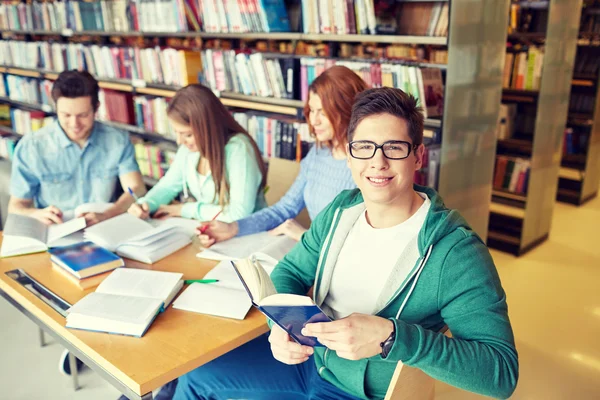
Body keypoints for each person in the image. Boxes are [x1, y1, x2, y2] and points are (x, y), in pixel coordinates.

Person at [173, 88, 519, 400]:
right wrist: (279, 326)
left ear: (418, 156)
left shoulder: (455, 252)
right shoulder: (341, 210)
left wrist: (392, 337)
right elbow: (291, 271)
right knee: (193, 378)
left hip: (362, 393)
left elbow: (500, 374)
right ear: (349, 155)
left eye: (394, 148)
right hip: (309, 363)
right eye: (364, 148)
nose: (377, 162)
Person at [8, 70, 146, 376]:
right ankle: (83, 342)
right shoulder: (32, 146)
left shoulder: (116, 139)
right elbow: (17, 207)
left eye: (83, 115)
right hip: (56, 240)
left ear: (96, 108)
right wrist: (36, 214)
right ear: (55, 107)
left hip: (104, 231)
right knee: (76, 281)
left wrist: (111, 211)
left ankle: (111, 343)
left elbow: (135, 190)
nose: (74, 124)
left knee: (138, 278)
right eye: (65, 115)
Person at [197, 66, 367, 246]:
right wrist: (233, 228)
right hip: (313, 255)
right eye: (312, 110)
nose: (314, 120)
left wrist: (303, 235)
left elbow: (360, 245)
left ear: (346, 111)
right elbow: (285, 209)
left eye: (323, 113)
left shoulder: (367, 165)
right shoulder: (318, 154)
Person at [128, 84, 266, 222]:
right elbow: (167, 186)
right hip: (212, 230)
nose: (179, 141)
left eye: (187, 135)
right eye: (176, 132)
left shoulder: (239, 149)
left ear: (207, 128)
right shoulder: (188, 151)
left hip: (250, 234)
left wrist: (184, 209)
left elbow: (239, 214)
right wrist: (146, 204)